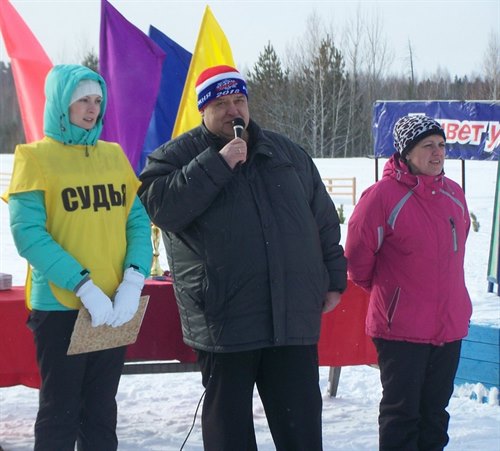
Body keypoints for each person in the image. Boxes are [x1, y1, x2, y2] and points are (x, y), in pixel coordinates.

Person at [138, 65, 347, 450]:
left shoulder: (287, 153)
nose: (233, 110)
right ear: (203, 110)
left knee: (300, 423)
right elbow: (162, 208)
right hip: (225, 317)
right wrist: (217, 164)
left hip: (290, 314)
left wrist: (333, 278)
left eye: (239, 100)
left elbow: (322, 219)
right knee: (229, 428)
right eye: (221, 104)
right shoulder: (174, 157)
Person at [2, 64, 152, 451]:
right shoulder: (34, 157)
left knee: (101, 413)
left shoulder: (114, 156)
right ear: (60, 103)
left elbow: (137, 222)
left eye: (98, 100)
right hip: (62, 307)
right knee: (60, 414)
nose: (92, 109)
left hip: (114, 306)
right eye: (83, 100)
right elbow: (29, 235)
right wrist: (83, 285)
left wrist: (133, 280)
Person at [345, 114, 472, 451]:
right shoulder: (381, 196)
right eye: (428, 145)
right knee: (402, 415)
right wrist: (393, 296)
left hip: (449, 325)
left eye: (441, 144)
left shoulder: (454, 193)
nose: (438, 152)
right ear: (406, 152)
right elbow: (357, 259)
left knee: (435, 414)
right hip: (400, 328)